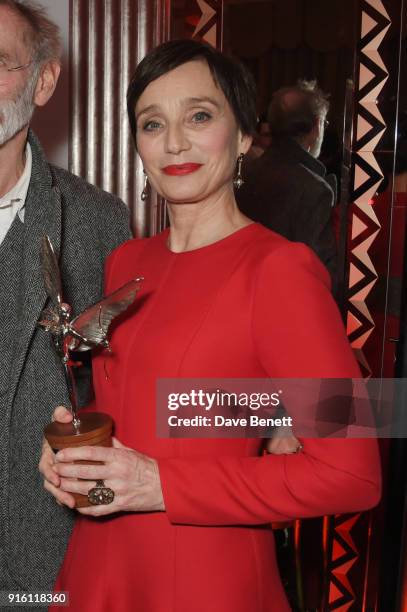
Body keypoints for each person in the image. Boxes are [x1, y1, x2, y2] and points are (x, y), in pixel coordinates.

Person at [40, 40, 381, 612]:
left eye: (199, 116)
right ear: (139, 145)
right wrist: (78, 459)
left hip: (203, 579)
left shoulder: (280, 269)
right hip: (98, 562)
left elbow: (355, 474)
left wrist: (161, 484)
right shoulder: (129, 262)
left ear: (245, 134)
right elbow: (176, 401)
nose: (175, 141)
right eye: (153, 123)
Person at [0, 0, 131, 601]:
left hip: (41, 566)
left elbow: (137, 383)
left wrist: (277, 412)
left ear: (43, 80)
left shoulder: (99, 221)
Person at [237, 80, 338, 293]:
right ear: (318, 125)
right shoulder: (314, 189)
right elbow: (320, 274)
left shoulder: (244, 173)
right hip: (289, 305)